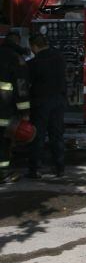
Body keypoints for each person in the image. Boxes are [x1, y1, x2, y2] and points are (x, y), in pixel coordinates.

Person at [27, 33, 67, 178]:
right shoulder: (59, 57)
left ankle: (35, 169)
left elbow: (27, 83)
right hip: (59, 100)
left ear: (34, 46)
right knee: (57, 135)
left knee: (38, 136)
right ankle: (59, 167)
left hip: (41, 102)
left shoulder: (34, 63)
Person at [0, 32, 30, 183]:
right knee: (3, 142)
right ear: (17, 42)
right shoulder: (15, 58)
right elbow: (21, 86)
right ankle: (3, 174)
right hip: (4, 109)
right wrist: (25, 111)